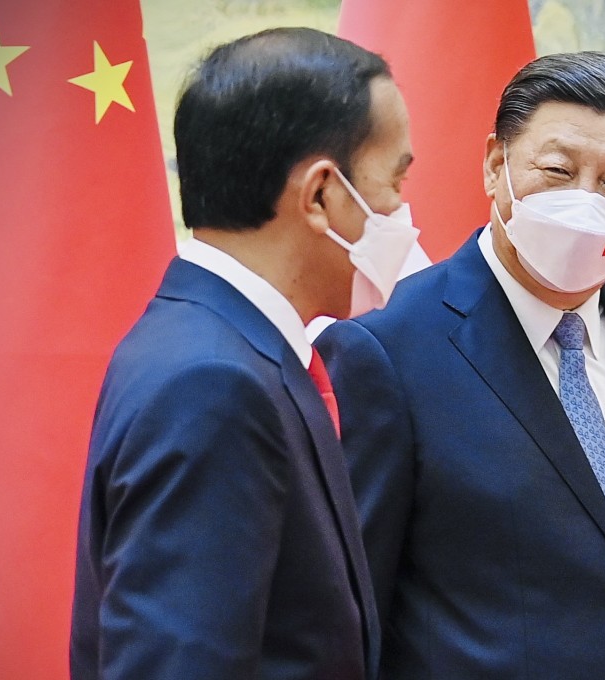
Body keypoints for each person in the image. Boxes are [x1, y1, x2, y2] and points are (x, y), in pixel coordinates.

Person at [315, 51, 605, 679]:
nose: (583, 201)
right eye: (557, 170)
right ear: (496, 165)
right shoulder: (385, 354)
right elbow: (348, 618)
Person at [70, 27, 418, 680]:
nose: (400, 211)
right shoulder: (212, 385)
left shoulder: (220, 345)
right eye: (393, 181)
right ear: (320, 194)